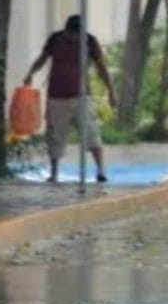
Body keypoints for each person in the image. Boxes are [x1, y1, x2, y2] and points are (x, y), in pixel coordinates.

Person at [22, 15, 117, 183]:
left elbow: (101, 67)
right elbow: (43, 58)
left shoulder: (89, 41)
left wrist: (111, 90)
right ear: (66, 30)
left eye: (77, 33)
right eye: (72, 33)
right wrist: (31, 73)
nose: (74, 37)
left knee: (91, 132)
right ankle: (54, 173)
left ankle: (101, 170)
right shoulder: (56, 39)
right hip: (56, 96)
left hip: (82, 96)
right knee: (55, 136)